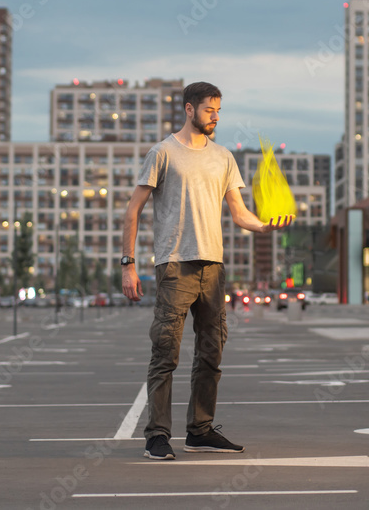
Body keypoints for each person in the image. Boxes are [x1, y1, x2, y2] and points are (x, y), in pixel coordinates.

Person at [121, 82, 293, 461]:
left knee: (212, 350)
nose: (215, 116)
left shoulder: (223, 158)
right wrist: (128, 264)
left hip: (213, 267)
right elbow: (132, 210)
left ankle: (199, 430)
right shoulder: (163, 153)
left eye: (218, 110)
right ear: (189, 109)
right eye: (209, 109)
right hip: (174, 265)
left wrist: (265, 226)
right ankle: (157, 435)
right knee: (165, 351)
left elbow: (238, 212)